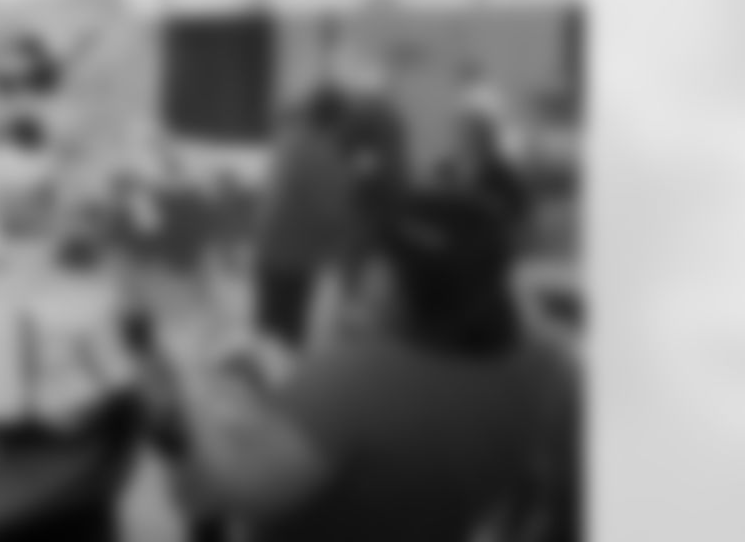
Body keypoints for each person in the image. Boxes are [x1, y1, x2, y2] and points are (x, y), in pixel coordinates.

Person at [142, 185, 580, 542]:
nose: (365, 274)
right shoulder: (544, 366)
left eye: (376, 261)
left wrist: (189, 371)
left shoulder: (359, 379)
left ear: (397, 278)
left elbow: (242, 488)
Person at [252, 85, 363, 349]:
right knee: (287, 331)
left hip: (269, 246)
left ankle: (264, 363)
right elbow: (333, 211)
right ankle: (281, 368)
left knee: (266, 326)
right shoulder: (324, 152)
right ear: (337, 120)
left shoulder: (290, 138)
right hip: (294, 255)